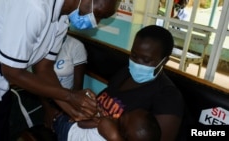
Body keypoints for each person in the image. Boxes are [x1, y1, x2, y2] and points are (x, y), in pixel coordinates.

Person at [0, 0, 119, 140]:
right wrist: (71, 96)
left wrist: (72, 109)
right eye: (99, 15)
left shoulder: (62, 19)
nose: (96, 22)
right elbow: (12, 72)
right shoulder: (33, 6)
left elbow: (43, 68)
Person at [53, 25, 185, 141]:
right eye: (133, 56)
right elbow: (103, 101)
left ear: (164, 61)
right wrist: (80, 111)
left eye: (146, 59)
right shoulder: (126, 72)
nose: (137, 63)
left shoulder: (168, 97)